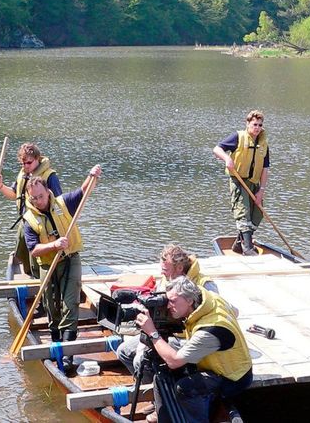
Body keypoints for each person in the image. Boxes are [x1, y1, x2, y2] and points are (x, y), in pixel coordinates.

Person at [136, 277, 253, 423]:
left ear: (190, 300)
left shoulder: (210, 330)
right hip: (219, 362)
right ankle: (165, 416)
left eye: (172, 301)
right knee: (163, 371)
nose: (168, 306)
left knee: (185, 388)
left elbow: (174, 361)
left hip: (232, 377)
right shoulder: (211, 299)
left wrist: (152, 332)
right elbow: (235, 311)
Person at [22, 165, 101, 370]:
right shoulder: (29, 220)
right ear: (30, 199)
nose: (39, 201)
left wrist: (91, 175)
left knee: (70, 304)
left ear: (47, 191)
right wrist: (54, 245)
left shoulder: (62, 202)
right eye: (35, 199)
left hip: (70, 259)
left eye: (41, 196)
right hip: (48, 264)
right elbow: (34, 249)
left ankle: (67, 355)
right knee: (51, 306)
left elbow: (84, 191)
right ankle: (55, 345)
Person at [116, 244, 218, 378]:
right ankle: (150, 387)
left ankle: (160, 393)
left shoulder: (205, 285)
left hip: (188, 337)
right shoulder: (167, 279)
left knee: (140, 361)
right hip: (163, 330)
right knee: (123, 351)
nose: (162, 273)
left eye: (166, 270)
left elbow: (214, 314)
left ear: (180, 267)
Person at [0, 142, 63, 278]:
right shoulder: (24, 174)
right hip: (26, 221)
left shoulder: (50, 177)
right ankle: (29, 274)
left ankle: (40, 279)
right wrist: (0, 186)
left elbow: (59, 203)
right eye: (22, 164)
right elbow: (14, 194)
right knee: (21, 250)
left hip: (43, 222)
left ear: (37, 158)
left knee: (38, 256)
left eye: (28, 163)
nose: (25, 166)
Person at [213, 110, 270, 256]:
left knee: (257, 213)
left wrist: (261, 190)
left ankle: (239, 243)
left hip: (253, 183)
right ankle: (248, 248)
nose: (257, 128)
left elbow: (265, 169)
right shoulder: (238, 137)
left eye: (260, 125)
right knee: (243, 212)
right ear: (248, 124)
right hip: (238, 180)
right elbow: (217, 149)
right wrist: (227, 159)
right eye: (254, 124)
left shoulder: (263, 144)